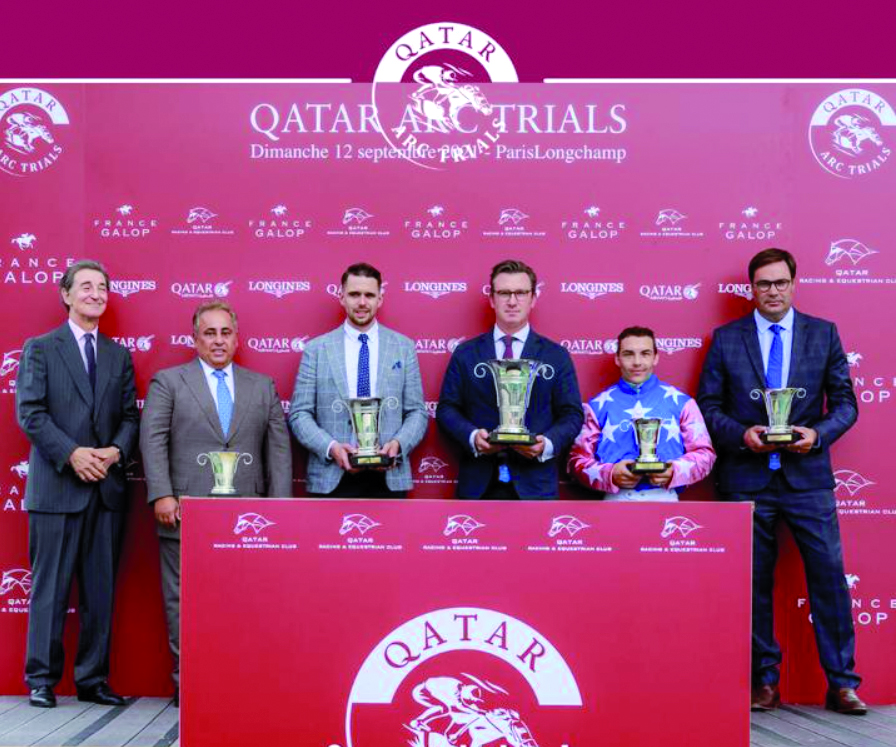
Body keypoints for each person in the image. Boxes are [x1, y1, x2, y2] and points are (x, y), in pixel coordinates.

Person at [697, 248, 865, 715]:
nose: (772, 291)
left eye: (780, 282)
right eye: (763, 284)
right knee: (752, 583)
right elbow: (707, 406)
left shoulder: (822, 333)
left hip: (807, 478)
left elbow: (847, 405)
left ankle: (842, 682)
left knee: (829, 578)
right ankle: (763, 681)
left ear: (794, 283)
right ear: (751, 288)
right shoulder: (726, 338)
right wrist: (742, 435)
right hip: (746, 478)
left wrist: (817, 435)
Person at [140, 301, 292, 703]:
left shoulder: (262, 386)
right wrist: (161, 494)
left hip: (250, 518)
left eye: (226, 332)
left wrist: (281, 510)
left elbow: (278, 451)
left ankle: (243, 678)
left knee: (248, 599)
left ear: (237, 339)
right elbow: (152, 440)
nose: (219, 340)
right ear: (195, 339)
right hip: (183, 513)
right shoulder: (169, 382)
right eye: (210, 333)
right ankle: (189, 684)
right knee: (182, 602)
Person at [16, 260, 139, 708]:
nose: (95, 293)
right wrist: (72, 454)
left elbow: (130, 417)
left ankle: (92, 680)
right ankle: (42, 680)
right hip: (57, 487)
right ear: (66, 295)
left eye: (102, 286)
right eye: (85, 286)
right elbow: (30, 413)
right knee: (49, 590)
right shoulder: (41, 348)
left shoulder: (117, 355)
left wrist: (114, 452)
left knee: (99, 592)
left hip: (105, 491)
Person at [436, 259, 583, 499]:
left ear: (533, 298)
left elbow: (572, 414)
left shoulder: (556, 355)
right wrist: (473, 437)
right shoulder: (466, 353)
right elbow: (447, 409)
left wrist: (545, 445)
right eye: (504, 293)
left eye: (521, 293)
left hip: (535, 487)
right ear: (492, 299)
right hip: (478, 486)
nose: (512, 301)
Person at [289, 262, 427, 497]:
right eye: (354, 294)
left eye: (369, 295)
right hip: (331, 477)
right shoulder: (317, 349)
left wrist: (398, 445)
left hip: (389, 476)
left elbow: (417, 412)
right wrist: (331, 448)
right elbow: (299, 414)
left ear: (380, 299)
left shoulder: (403, 347)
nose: (362, 302)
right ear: (341, 297)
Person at [568, 326, 715, 499]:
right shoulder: (596, 407)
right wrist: (610, 474)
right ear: (617, 359)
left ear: (656, 357)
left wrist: (674, 471)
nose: (637, 362)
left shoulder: (683, 403)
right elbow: (576, 462)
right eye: (628, 354)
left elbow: (705, 455)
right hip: (616, 500)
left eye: (645, 353)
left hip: (664, 496)